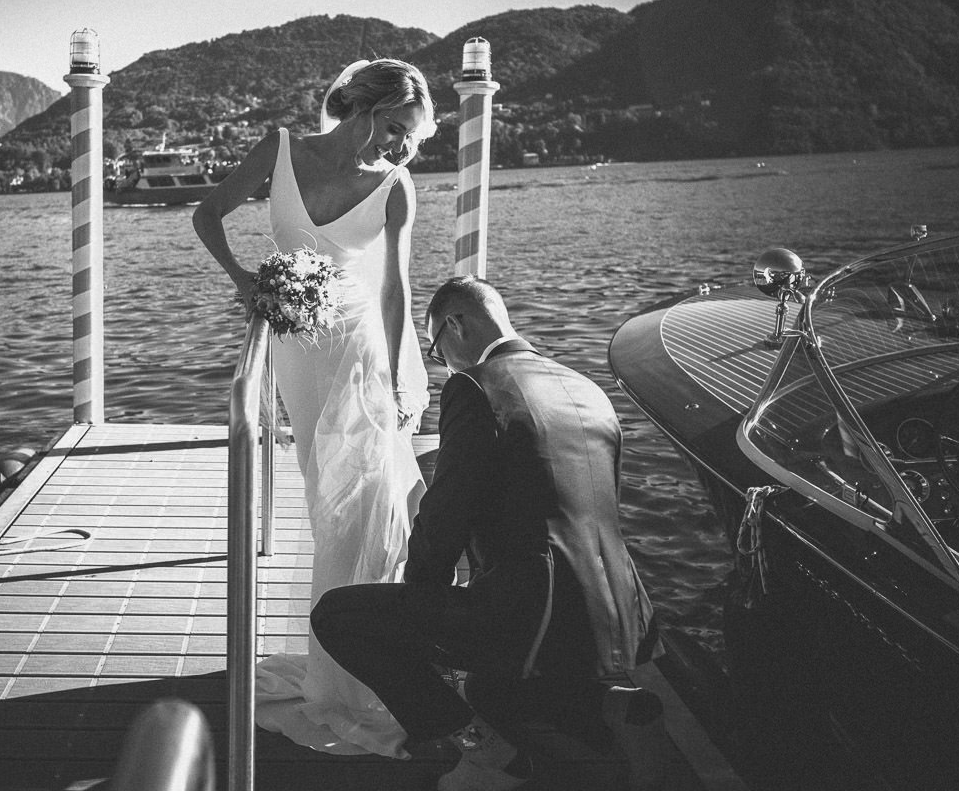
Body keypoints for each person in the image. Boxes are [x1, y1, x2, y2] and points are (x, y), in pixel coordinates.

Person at [311, 275, 660, 790]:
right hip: (622, 616)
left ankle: (489, 756)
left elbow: (447, 509)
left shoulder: (474, 387)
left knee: (340, 617)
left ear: (456, 324)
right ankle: (602, 703)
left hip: (529, 613)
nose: (443, 362)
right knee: (486, 686)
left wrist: (421, 595)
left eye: (436, 348)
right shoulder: (586, 388)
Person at [193, 58, 436, 757]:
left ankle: (353, 675)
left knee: (367, 505)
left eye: (412, 139)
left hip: (362, 350)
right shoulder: (279, 151)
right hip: (299, 354)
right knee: (326, 496)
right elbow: (207, 214)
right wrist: (244, 280)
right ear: (363, 107)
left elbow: (394, 291)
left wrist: (392, 380)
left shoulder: (395, 187)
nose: (401, 148)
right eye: (395, 129)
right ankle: (349, 654)